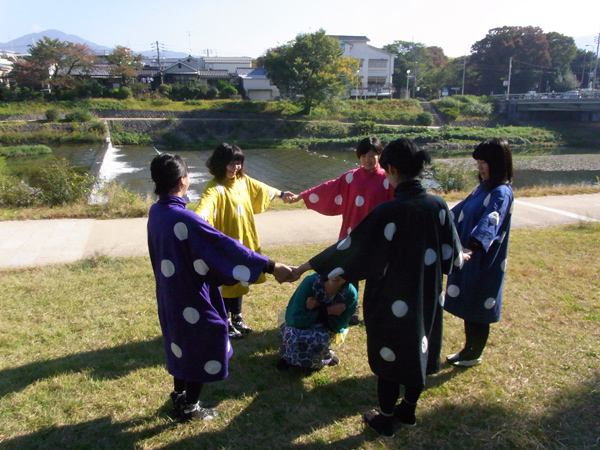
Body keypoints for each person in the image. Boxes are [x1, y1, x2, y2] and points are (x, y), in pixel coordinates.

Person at [292, 138, 465, 438]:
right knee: (418, 347)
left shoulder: (388, 212)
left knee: (389, 357)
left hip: (389, 296)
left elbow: (349, 250)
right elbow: (454, 257)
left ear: (393, 169)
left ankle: (385, 419)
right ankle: (407, 411)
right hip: (426, 295)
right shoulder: (438, 205)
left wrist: (303, 268)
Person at [147, 153, 293, 422]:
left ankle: (179, 396)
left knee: (181, 342)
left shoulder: (158, 211)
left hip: (170, 293)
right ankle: (190, 407)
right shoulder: (185, 219)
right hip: (191, 293)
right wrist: (271, 267)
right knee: (207, 339)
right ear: (183, 180)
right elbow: (225, 248)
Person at [285, 137, 395, 324]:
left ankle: (374, 312)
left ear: (380, 155)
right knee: (349, 273)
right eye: (364, 156)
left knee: (377, 276)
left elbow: (396, 204)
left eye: (373, 155)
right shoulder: (350, 177)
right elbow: (328, 189)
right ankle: (352, 310)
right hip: (351, 234)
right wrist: (302, 196)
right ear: (359, 157)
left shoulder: (387, 179)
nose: (368, 160)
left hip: (378, 236)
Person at [196, 143, 291, 340]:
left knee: (239, 277)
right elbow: (204, 208)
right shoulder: (214, 188)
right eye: (231, 163)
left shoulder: (242, 181)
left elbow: (262, 189)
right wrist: (193, 222)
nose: (235, 167)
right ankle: (225, 321)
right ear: (220, 163)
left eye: (238, 163)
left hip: (243, 240)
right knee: (225, 280)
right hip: (226, 244)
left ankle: (237, 317)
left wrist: (281, 194)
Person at [443, 138, 514, 367]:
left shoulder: (501, 192)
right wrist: (435, 219)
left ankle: (473, 354)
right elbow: (458, 212)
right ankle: (468, 351)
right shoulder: (482, 188)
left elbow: (489, 223)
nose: (480, 168)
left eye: (484, 163)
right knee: (469, 304)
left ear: (499, 163)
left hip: (483, 260)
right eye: (478, 162)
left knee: (479, 306)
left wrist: (469, 248)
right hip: (469, 257)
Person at [276, 273, 357, 372]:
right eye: (333, 269)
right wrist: (328, 311)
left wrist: (319, 309)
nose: (337, 275)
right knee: (294, 334)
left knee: (319, 338)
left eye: (343, 273)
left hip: (324, 326)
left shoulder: (350, 293)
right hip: (297, 322)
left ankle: (322, 357)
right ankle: (286, 358)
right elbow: (295, 318)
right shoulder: (311, 281)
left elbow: (338, 325)